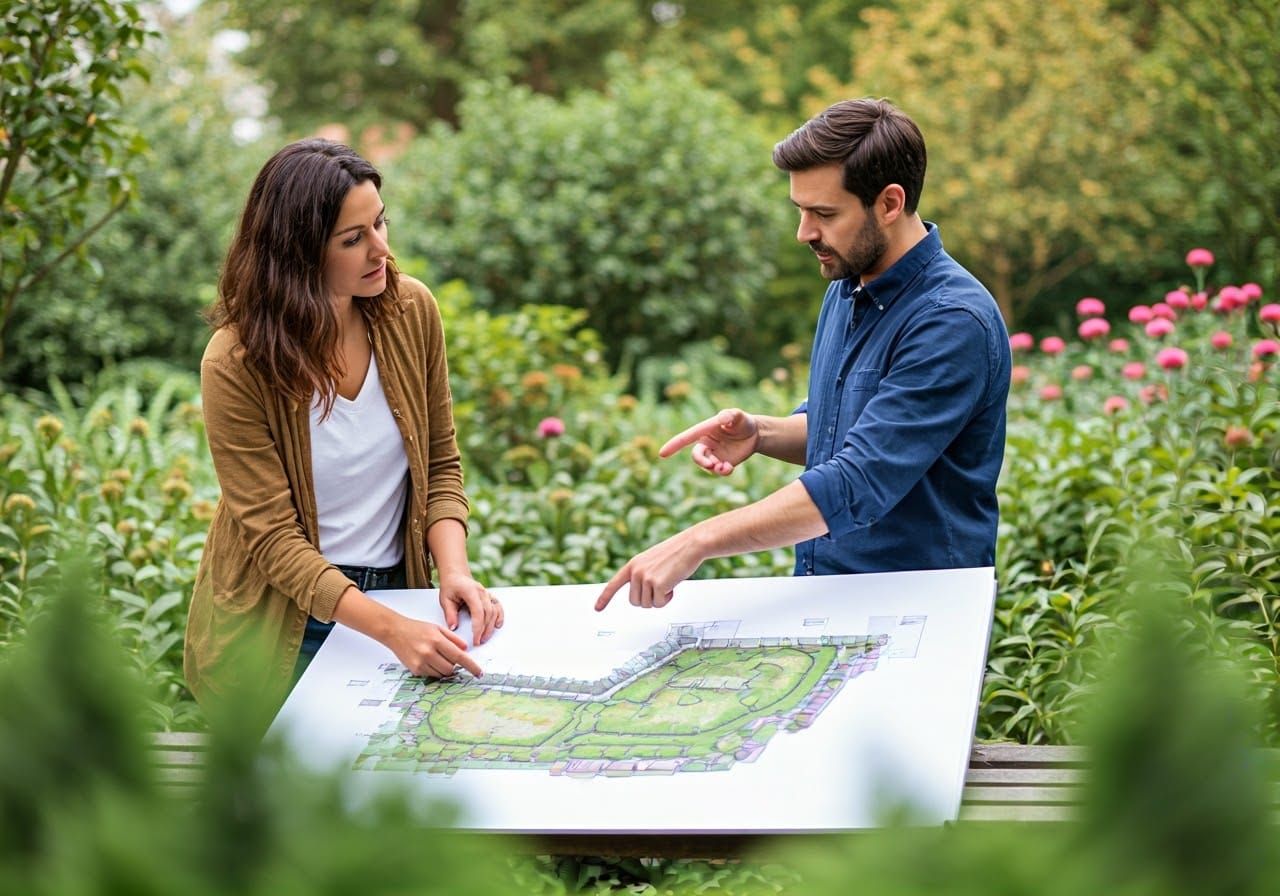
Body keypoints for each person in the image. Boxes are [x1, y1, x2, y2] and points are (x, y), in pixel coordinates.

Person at [596, 98, 1011, 611]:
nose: (804, 233)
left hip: (921, 614)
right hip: (832, 600)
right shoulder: (848, 284)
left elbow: (860, 478)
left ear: (889, 203)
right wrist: (762, 433)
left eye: (824, 213)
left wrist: (696, 541)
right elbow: (852, 427)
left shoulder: (951, 321)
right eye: (800, 211)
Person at [185, 139, 502, 713]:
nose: (381, 249)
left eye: (380, 223)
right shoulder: (236, 361)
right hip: (284, 622)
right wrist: (388, 629)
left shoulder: (411, 312)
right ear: (299, 254)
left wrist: (453, 570)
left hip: (397, 599)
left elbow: (440, 463)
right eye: (353, 240)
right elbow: (273, 540)